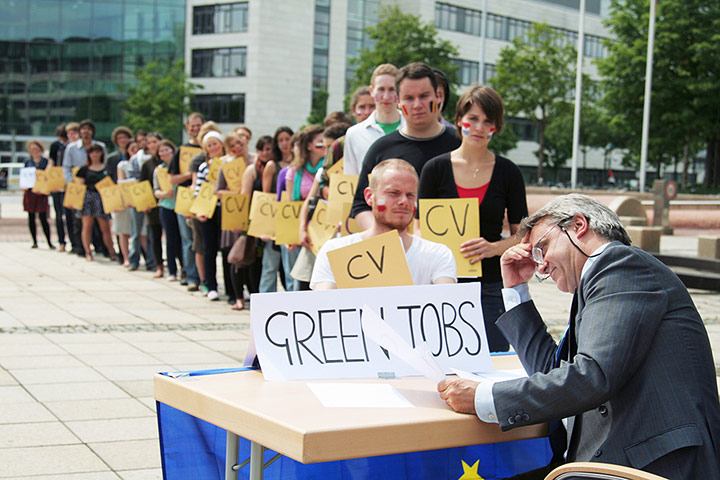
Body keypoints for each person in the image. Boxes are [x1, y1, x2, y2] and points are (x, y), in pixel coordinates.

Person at [438, 194, 720, 479]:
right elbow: (554, 372)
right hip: (615, 461)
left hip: (652, 467)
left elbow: (591, 376)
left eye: (542, 248)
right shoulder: (608, 276)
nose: (541, 266)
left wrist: (484, 398)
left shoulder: (620, 264)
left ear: (578, 225)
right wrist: (515, 291)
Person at [419, 85, 527, 352]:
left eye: (488, 121)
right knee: (443, 357)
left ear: (496, 126)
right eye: (473, 119)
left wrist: (493, 248)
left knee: (495, 358)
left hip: (491, 284)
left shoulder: (508, 172)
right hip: (442, 282)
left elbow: (523, 233)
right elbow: (420, 229)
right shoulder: (434, 169)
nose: (479, 127)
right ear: (459, 120)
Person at [312, 159, 456, 289]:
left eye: (410, 195)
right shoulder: (335, 251)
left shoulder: (438, 254)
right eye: (394, 193)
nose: (404, 201)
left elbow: (447, 303)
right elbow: (323, 305)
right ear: (369, 197)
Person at [350, 62, 461, 229]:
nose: (417, 105)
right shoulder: (381, 149)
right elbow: (360, 205)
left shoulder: (460, 145)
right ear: (398, 101)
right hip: (396, 251)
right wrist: (387, 237)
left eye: (424, 96)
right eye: (409, 98)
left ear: (438, 97)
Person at [344, 64, 405, 175]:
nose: (386, 96)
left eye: (392, 89)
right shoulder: (354, 134)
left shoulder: (414, 129)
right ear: (372, 91)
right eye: (381, 89)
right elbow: (351, 178)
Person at [62, 119, 108, 256]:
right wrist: (71, 185)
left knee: (101, 221)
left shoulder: (100, 146)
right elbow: (66, 167)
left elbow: (103, 164)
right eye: (83, 129)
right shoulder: (72, 148)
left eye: (88, 129)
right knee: (78, 220)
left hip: (97, 185)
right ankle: (79, 247)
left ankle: (101, 247)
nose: (85, 132)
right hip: (78, 185)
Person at [169, 112, 204, 289]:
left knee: (202, 240)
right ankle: (191, 275)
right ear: (187, 128)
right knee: (188, 239)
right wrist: (189, 175)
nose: (196, 129)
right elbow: (172, 179)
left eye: (199, 125)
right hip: (186, 198)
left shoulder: (209, 150)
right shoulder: (181, 151)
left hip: (205, 198)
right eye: (193, 126)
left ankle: (203, 276)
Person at [74, 144, 118, 262]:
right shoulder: (83, 169)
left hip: (103, 198)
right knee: (87, 226)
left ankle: (111, 251)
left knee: (105, 227)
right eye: (92, 152)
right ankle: (88, 251)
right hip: (88, 198)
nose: (95, 154)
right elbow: (79, 187)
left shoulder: (106, 168)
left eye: (97, 152)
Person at [153, 139, 181, 281]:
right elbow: (156, 191)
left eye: (167, 150)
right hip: (166, 206)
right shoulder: (159, 170)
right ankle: (172, 270)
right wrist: (164, 194)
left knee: (183, 238)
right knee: (170, 240)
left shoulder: (181, 167)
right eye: (161, 152)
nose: (164, 153)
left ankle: (184, 269)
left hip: (181, 205)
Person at [23, 140, 54, 250]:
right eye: (32, 149)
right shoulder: (27, 161)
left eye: (36, 149)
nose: (34, 151)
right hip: (30, 191)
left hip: (41, 192)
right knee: (31, 217)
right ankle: (34, 241)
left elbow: (49, 175)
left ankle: (49, 241)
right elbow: (24, 175)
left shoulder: (46, 162)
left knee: (43, 217)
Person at [48, 124, 67, 251]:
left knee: (71, 215)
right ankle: (62, 241)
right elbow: (51, 162)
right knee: (59, 213)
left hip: (70, 182)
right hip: (57, 181)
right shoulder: (55, 146)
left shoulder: (72, 146)